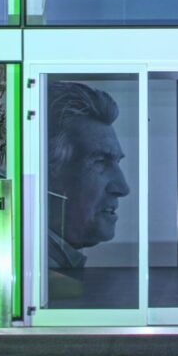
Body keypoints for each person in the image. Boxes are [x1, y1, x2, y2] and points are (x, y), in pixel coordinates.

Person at [46, 79, 131, 289]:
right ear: (49, 171)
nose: (122, 187)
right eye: (100, 161)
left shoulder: (52, 266)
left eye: (117, 162)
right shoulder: (37, 273)